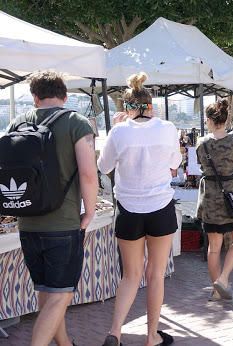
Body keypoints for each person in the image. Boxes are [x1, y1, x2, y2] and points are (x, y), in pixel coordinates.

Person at [5, 71, 97, 346]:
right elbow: (89, 174)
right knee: (61, 294)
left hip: (27, 222)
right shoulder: (76, 123)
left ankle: (65, 343)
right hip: (63, 222)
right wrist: (89, 211)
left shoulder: (17, 123)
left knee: (46, 292)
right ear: (65, 95)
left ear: (35, 97)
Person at [98, 72, 181, 346]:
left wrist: (117, 128)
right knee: (155, 274)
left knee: (130, 275)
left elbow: (104, 167)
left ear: (127, 107)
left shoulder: (119, 131)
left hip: (129, 209)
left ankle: (115, 331)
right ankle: (151, 336)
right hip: (160, 206)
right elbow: (174, 163)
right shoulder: (167, 128)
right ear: (151, 105)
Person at [196, 99, 233, 301]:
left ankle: (216, 290)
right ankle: (224, 278)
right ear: (227, 119)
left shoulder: (202, 143)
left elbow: (201, 165)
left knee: (214, 248)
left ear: (209, 120)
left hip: (211, 198)